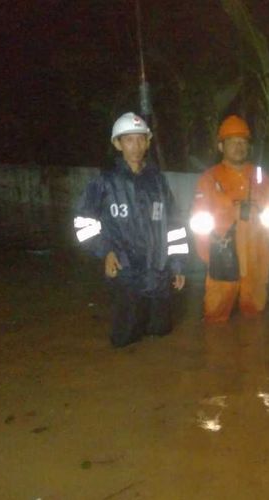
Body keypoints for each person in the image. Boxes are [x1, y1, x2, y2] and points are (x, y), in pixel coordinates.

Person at [74, 112, 188, 347]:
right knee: (125, 338)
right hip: (125, 272)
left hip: (158, 273)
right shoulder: (105, 182)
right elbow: (83, 221)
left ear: (147, 142)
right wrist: (104, 252)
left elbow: (175, 224)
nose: (135, 146)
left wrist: (177, 265)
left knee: (161, 333)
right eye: (128, 140)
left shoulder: (157, 181)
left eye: (140, 139)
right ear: (117, 144)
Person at [190, 115, 269, 323]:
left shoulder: (260, 176)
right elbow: (199, 221)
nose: (239, 147)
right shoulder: (209, 178)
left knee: (255, 313)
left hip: (256, 254)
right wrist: (208, 256)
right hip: (223, 252)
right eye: (232, 142)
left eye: (243, 142)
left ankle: (253, 352)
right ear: (221, 146)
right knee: (216, 314)